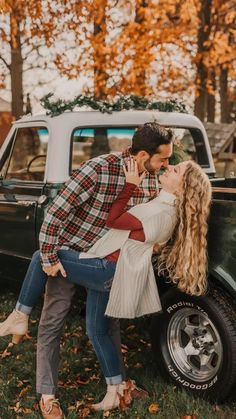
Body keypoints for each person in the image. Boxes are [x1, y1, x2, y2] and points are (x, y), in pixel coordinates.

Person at [0, 158, 212, 414]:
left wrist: (130, 186)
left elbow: (114, 219)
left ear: (183, 188)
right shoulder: (164, 205)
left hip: (105, 270)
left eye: (175, 170)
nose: (168, 167)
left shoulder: (159, 212)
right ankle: (115, 391)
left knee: (41, 257)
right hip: (114, 273)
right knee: (97, 331)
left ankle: (20, 315)